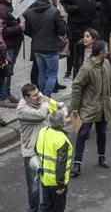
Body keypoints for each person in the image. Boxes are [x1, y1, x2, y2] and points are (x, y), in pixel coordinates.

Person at [70, 39, 111, 177]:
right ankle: (77, 164)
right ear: (101, 52)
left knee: (102, 133)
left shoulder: (107, 64)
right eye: (106, 50)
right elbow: (76, 87)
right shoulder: (86, 68)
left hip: (103, 106)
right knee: (82, 134)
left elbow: (110, 81)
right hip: (89, 107)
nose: (108, 52)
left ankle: (101, 157)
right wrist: (74, 108)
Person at [17, 83, 63, 212]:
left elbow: (57, 108)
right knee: (34, 186)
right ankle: (33, 209)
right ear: (26, 98)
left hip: (45, 150)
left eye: (38, 93)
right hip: (32, 154)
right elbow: (42, 114)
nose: (38, 96)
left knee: (47, 183)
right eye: (34, 95)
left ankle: (46, 208)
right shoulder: (22, 110)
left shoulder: (38, 100)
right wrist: (45, 101)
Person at [23, 0, 67, 97]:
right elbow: (62, 30)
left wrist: (36, 36)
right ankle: (46, 96)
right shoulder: (54, 11)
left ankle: (41, 94)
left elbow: (27, 31)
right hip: (51, 48)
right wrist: (61, 19)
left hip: (37, 48)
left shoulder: (29, 12)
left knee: (42, 72)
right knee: (51, 74)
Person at [60, 0, 98, 81]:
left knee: (88, 47)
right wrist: (73, 8)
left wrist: (97, 6)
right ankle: (69, 71)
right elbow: (63, 2)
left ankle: (87, 69)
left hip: (89, 23)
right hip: (75, 25)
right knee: (73, 48)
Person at [35, 110, 72, 211]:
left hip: (44, 178)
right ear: (62, 123)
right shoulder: (62, 140)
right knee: (58, 208)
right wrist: (61, 185)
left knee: (46, 206)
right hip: (56, 182)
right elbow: (61, 165)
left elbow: (36, 150)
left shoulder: (43, 131)